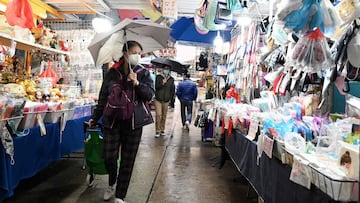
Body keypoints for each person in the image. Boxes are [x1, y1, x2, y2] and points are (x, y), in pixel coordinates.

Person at [89, 41, 154, 203]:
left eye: (140, 53)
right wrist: (95, 118)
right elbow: (103, 96)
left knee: (128, 160)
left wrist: (136, 83)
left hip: (133, 123)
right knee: (109, 156)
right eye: (134, 52)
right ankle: (112, 182)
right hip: (112, 122)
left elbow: (149, 95)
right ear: (125, 54)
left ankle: (120, 195)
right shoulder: (112, 73)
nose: (137, 56)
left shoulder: (143, 73)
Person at [154, 66, 175, 137]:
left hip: (166, 100)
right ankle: (157, 130)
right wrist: (162, 83)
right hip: (158, 99)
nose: (166, 70)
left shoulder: (171, 79)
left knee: (164, 115)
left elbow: (172, 90)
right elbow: (156, 87)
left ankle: (162, 129)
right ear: (162, 69)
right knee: (158, 115)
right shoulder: (158, 77)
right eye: (165, 69)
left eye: (168, 69)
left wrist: (171, 101)